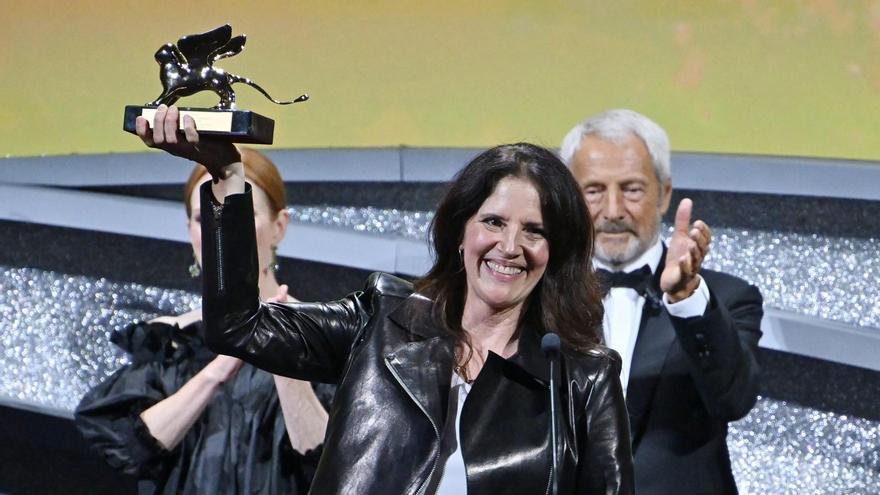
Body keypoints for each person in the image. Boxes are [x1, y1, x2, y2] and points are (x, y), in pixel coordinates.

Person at [134, 105, 634, 494]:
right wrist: (225, 175)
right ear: (460, 233)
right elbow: (239, 327)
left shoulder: (580, 380)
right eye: (493, 222)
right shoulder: (382, 323)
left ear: (555, 252)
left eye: (534, 231)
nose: (509, 247)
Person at [75, 147, 330, 494]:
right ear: (190, 230)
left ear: (279, 226)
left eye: (243, 214)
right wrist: (215, 371)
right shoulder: (172, 340)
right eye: (203, 217)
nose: (220, 230)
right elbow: (127, 449)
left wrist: (282, 360)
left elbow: (334, 467)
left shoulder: (321, 336)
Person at [560, 109, 763, 494]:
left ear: (665, 194)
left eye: (632, 189)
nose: (614, 210)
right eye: (594, 191)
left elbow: (733, 400)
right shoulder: (539, 299)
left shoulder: (726, 299)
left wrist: (686, 299)